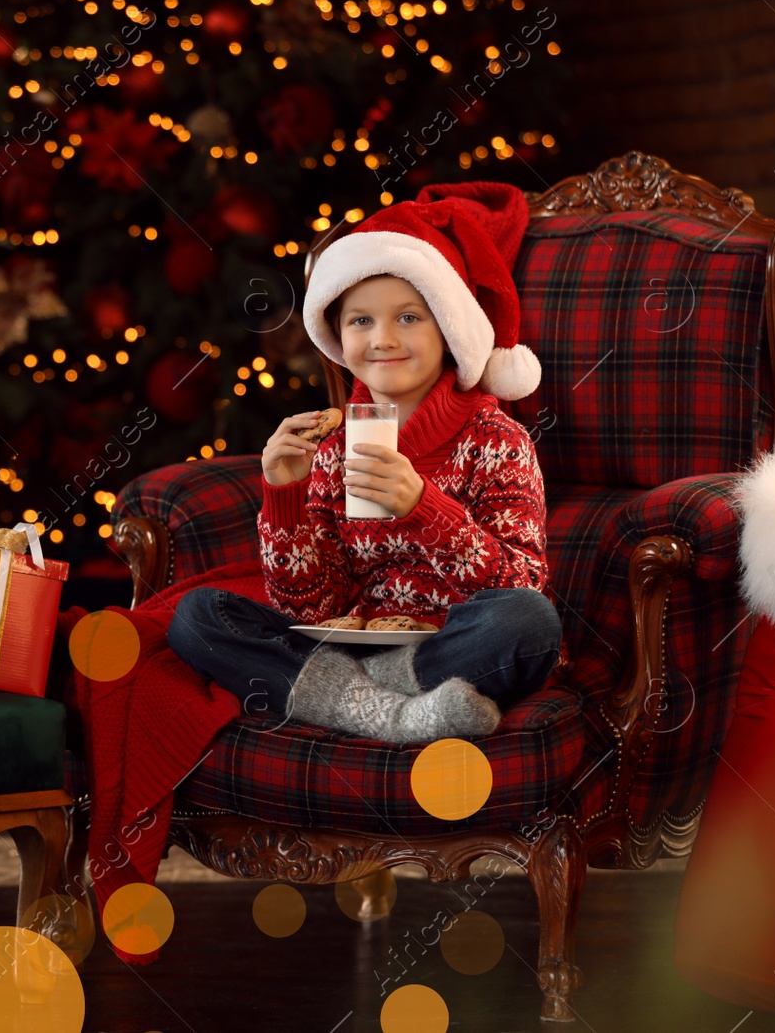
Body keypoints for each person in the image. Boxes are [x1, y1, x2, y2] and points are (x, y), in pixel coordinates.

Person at [167, 182, 564, 743]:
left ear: (448, 330)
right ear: (336, 334)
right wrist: (284, 499)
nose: (382, 339)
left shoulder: (497, 440)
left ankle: (350, 694)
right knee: (197, 617)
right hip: (353, 641)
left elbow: (522, 582)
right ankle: (395, 713)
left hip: (454, 642)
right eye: (360, 321)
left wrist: (426, 509)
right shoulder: (333, 444)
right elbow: (313, 604)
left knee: (528, 623)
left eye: (408, 318)